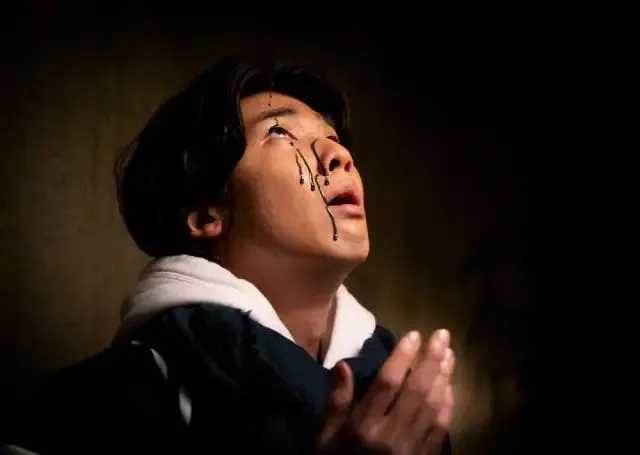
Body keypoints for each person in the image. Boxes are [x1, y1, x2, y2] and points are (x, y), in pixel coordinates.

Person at [1, 57, 455, 454]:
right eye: (280, 132)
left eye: (334, 138)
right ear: (206, 215)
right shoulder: (108, 400)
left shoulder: (406, 397)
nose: (338, 156)